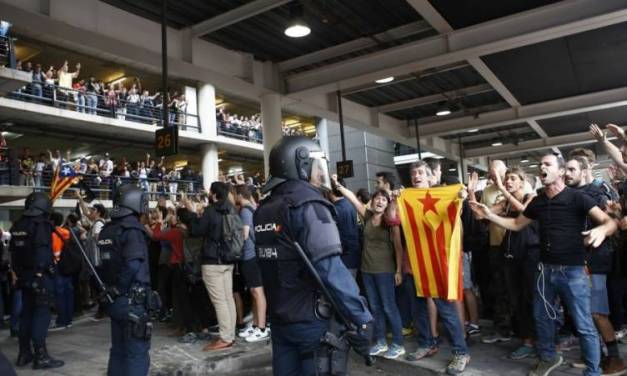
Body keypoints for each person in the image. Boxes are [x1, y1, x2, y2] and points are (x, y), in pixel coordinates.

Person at [470, 153, 617, 376]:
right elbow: (517, 224)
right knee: (542, 318)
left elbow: (610, 222)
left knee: (584, 324)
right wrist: (490, 214)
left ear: (560, 171)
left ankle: (593, 371)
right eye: (540, 164)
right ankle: (548, 357)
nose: (542, 167)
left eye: (547, 164)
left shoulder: (577, 198)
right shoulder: (538, 201)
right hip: (544, 271)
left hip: (573, 272)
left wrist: (601, 230)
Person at [254, 136, 373, 375]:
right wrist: (361, 317)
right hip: (313, 323)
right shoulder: (309, 205)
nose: (322, 173)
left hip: (280, 319)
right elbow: (330, 268)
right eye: (318, 165)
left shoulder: (264, 209)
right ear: (301, 164)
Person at [563, 156, 625, 374]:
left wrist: (600, 229)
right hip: (577, 261)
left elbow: (613, 224)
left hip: (595, 261)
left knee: (598, 313)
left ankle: (615, 359)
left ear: (584, 170)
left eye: (571, 169)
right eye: (565, 169)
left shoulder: (597, 195)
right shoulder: (569, 195)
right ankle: (593, 354)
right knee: (584, 313)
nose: (567, 173)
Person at [98, 184, 154, 376]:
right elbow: (132, 264)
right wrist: (119, 288)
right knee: (136, 353)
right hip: (131, 300)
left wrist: (113, 291)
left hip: (115, 301)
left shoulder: (107, 230)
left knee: (118, 351)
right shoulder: (132, 230)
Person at [10, 192, 64, 369]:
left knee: (26, 315)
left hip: (23, 277)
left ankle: (24, 353)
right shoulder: (41, 224)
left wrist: (18, 273)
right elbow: (42, 252)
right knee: (41, 315)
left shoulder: (18, 223)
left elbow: (14, 253)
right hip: (39, 278)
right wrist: (40, 274)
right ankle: (40, 356)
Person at [234, 185, 270, 343]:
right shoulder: (251, 208)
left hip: (250, 256)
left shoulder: (244, 211)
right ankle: (256, 325)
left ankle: (261, 327)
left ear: (239, 195)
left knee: (257, 292)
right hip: (252, 256)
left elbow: (245, 233)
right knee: (255, 292)